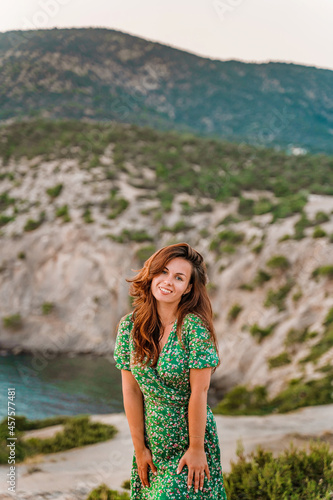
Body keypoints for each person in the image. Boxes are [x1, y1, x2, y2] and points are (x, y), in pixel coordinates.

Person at [113, 242, 227, 499]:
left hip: (190, 441)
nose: (168, 281)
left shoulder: (194, 329)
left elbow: (200, 392)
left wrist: (197, 448)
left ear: (188, 288)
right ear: (151, 274)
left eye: (179, 277)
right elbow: (131, 390)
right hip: (152, 442)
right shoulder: (129, 327)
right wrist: (139, 448)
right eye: (163, 272)